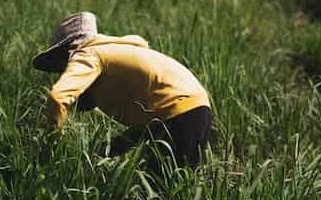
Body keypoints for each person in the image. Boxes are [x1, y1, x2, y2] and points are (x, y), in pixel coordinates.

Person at [32, 12, 212, 167]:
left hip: (178, 115)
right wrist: (106, 149)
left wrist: (52, 147)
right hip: (198, 110)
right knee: (172, 189)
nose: (66, 73)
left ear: (68, 52)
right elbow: (149, 125)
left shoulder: (87, 54)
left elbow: (57, 98)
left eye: (64, 68)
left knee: (155, 195)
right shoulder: (118, 54)